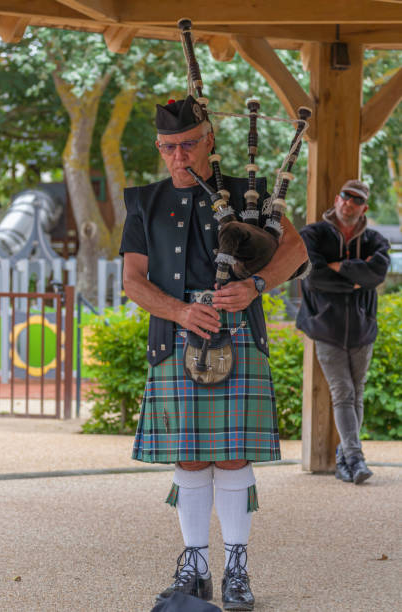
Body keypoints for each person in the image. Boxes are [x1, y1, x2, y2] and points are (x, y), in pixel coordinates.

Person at [120, 96, 308, 611]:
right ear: (159, 149)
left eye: (187, 144)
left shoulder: (251, 196)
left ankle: (237, 572)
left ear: (209, 141)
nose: (178, 156)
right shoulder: (144, 202)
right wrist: (180, 312)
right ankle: (196, 568)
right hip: (177, 336)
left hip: (238, 329)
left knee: (232, 455)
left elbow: (297, 249)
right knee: (189, 454)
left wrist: (258, 286)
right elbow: (133, 281)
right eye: (168, 147)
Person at [296, 180, 390, 485]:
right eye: (345, 197)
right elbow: (313, 277)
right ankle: (355, 457)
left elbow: (376, 275)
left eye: (356, 200)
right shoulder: (313, 234)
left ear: (364, 207)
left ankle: (345, 458)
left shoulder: (375, 240)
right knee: (344, 392)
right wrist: (355, 276)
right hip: (326, 327)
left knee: (356, 393)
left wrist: (337, 267)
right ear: (337, 199)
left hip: (363, 328)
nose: (349, 203)